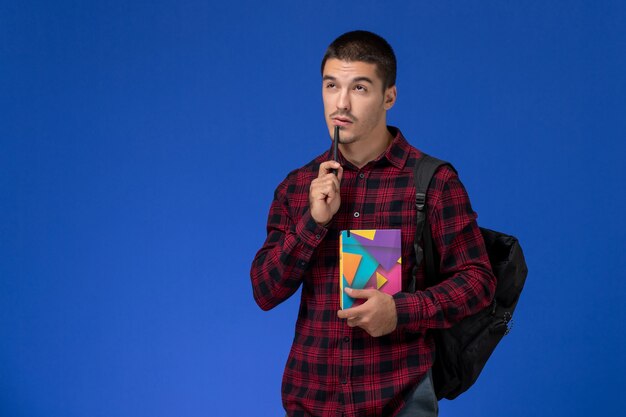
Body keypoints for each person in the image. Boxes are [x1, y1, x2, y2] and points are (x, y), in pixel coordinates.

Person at [250, 30, 496, 417]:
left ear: (389, 97)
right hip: (312, 400)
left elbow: (478, 280)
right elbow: (264, 291)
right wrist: (313, 224)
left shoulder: (431, 182)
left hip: (399, 399)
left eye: (360, 88)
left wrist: (402, 311)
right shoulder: (299, 186)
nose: (341, 103)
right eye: (331, 86)